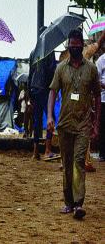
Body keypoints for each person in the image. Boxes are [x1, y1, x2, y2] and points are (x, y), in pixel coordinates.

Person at [47, 29, 101, 219]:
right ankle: (68, 202)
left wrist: (96, 123)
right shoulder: (61, 68)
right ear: (68, 45)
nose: (75, 47)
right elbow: (52, 91)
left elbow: (96, 96)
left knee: (79, 161)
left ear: (81, 45)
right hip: (64, 123)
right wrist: (50, 117)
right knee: (67, 163)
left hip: (83, 125)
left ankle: (79, 203)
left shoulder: (91, 69)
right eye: (72, 44)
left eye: (78, 44)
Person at [29, 27, 57, 160]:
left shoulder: (33, 52)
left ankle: (35, 152)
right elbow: (53, 72)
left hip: (34, 89)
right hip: (45, 90)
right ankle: (47, 149)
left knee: (37, 121)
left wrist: (29, 92)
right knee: (51, 119)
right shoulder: (50, 52)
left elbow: (30, 75)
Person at [95, 34, 105, 162]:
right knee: (103, 127)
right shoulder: (101, 60)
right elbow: (95, 80)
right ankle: (103, 153)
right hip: (103, 99)